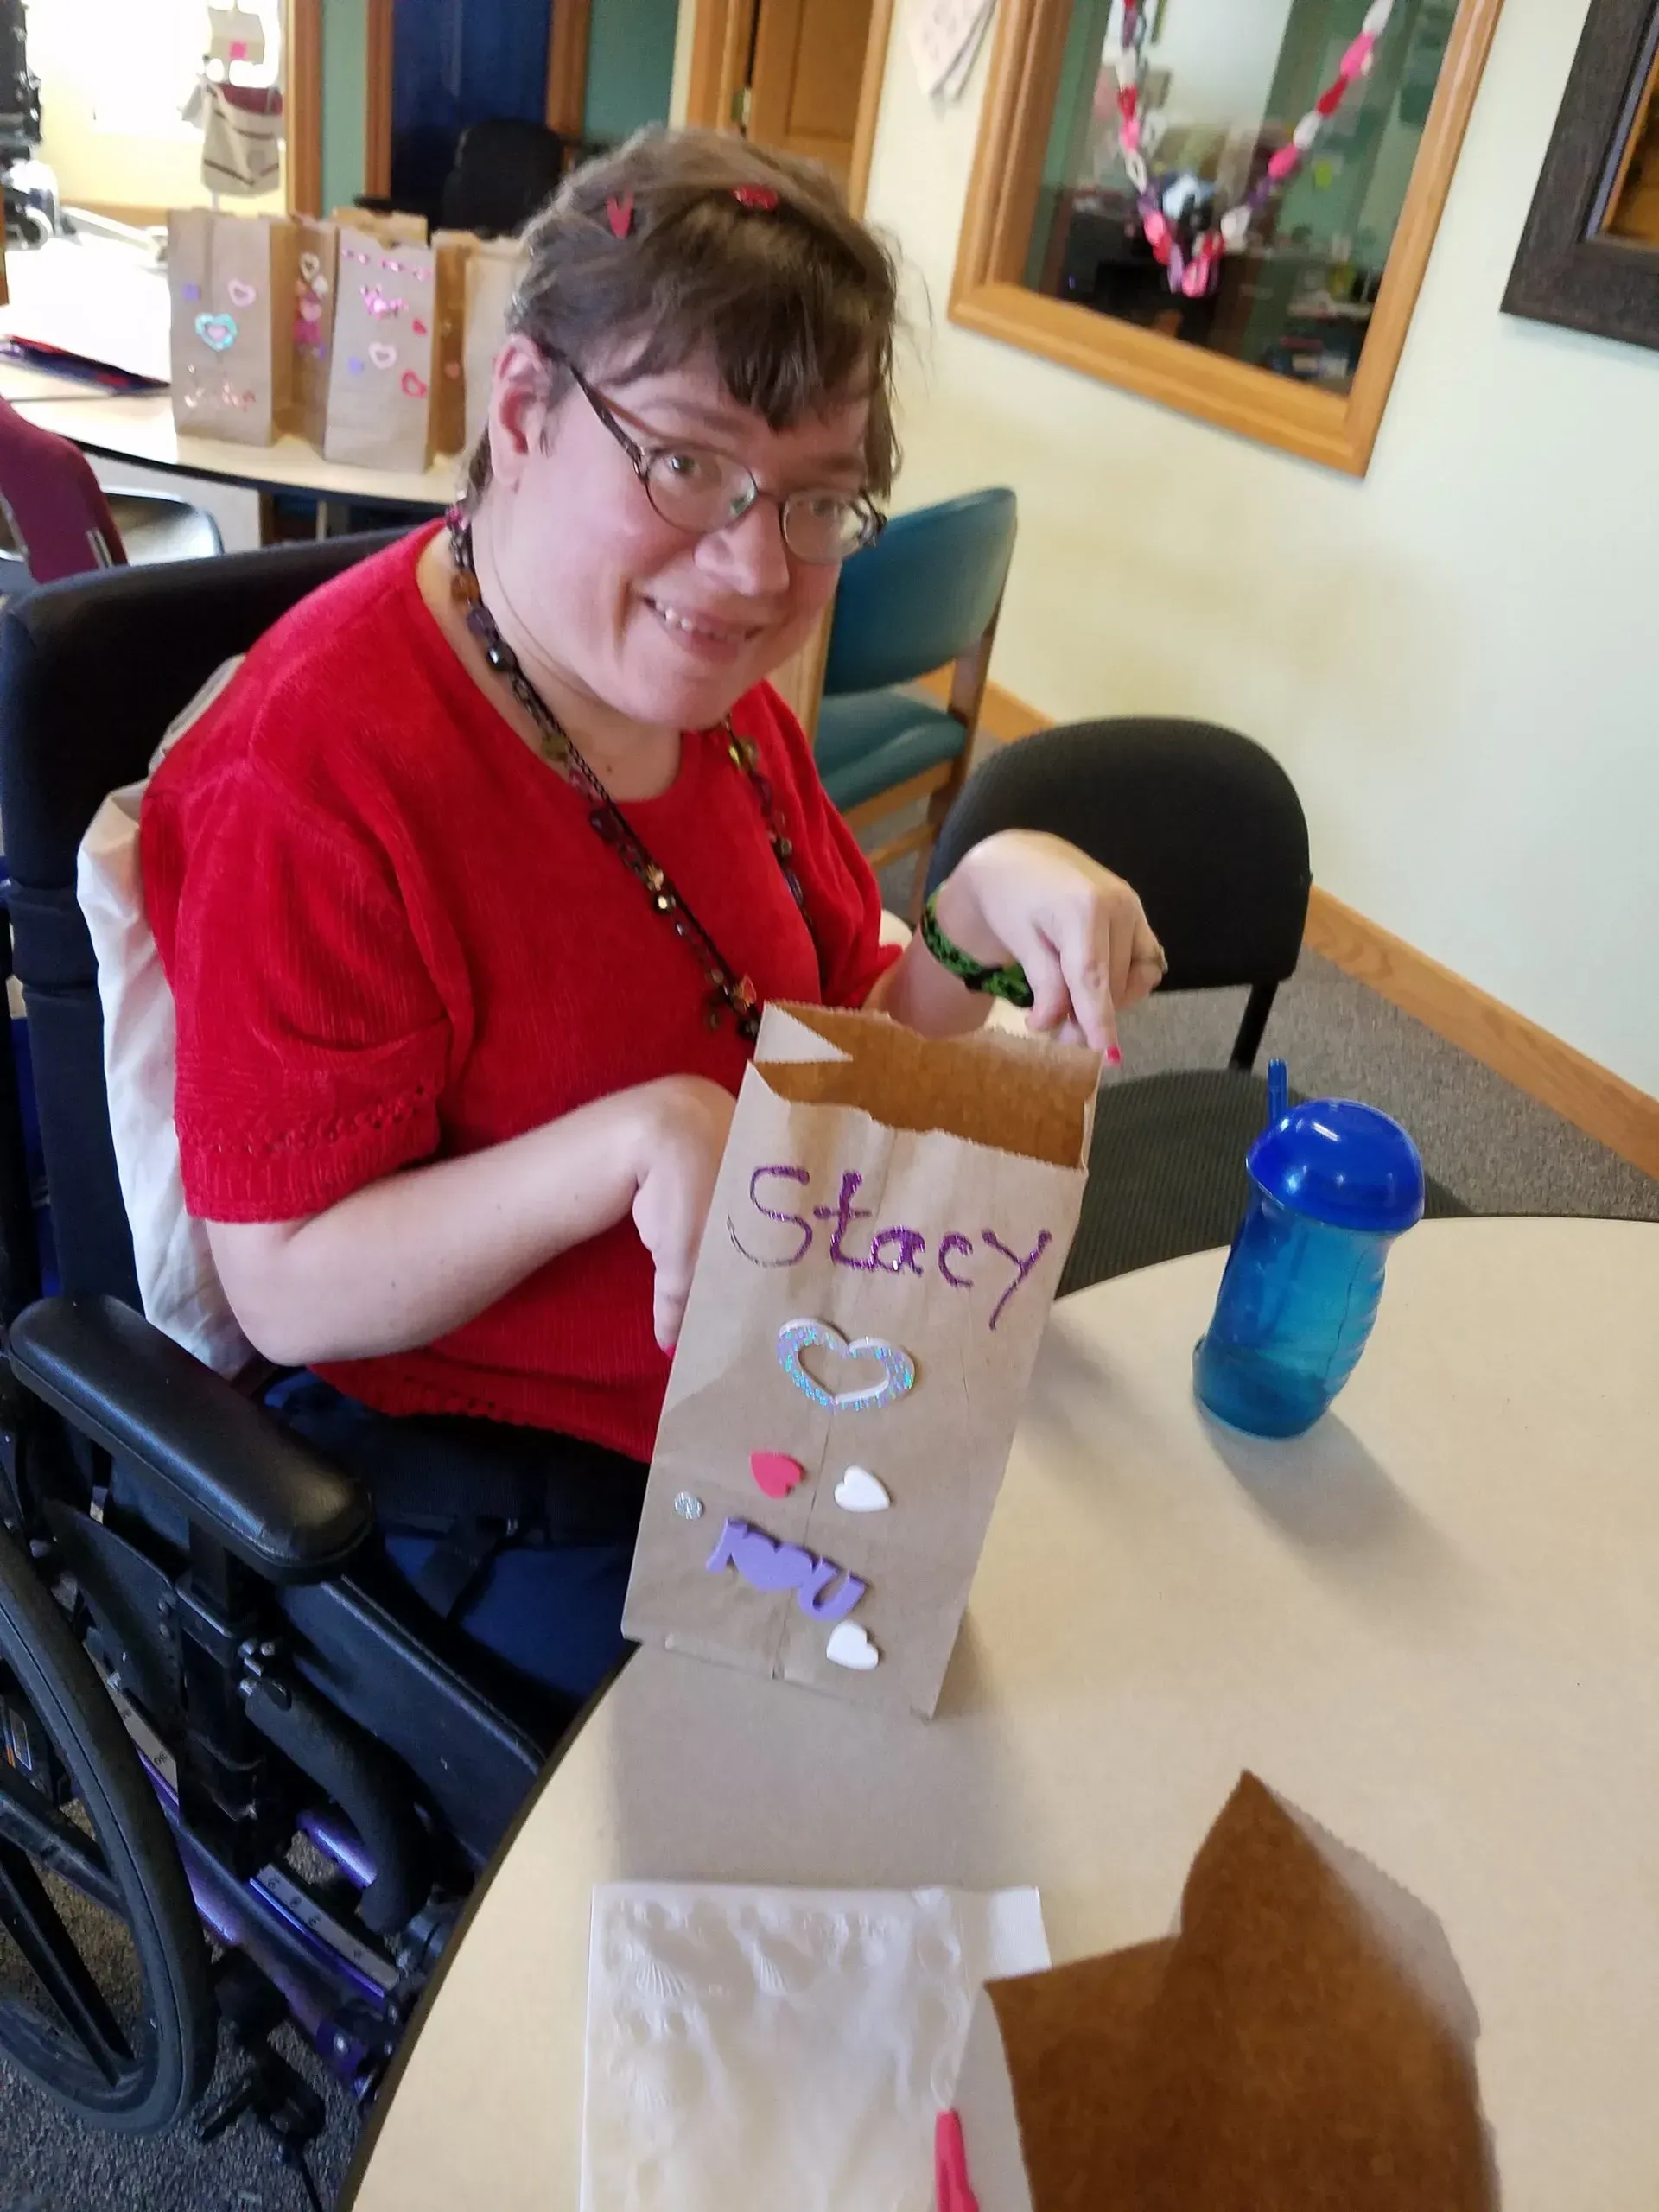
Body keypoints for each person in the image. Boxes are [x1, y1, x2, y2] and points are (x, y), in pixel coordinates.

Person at [141, 128, 1165, 1715]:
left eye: (819, 500)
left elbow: (838, 1056)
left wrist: (967, 916)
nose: (755, 569)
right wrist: (624, 1145)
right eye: (687, 463)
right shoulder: (318, 773)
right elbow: (281, 1277)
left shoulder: (713, 707)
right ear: (524, 410)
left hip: (769, 1370)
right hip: (494, 1462)